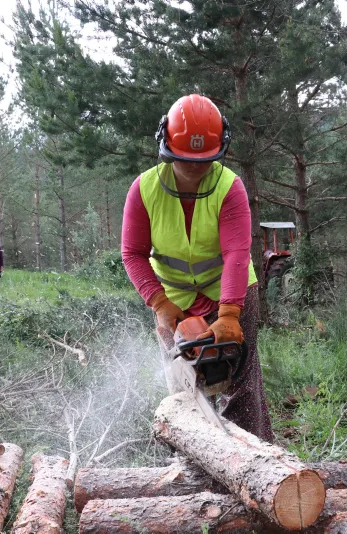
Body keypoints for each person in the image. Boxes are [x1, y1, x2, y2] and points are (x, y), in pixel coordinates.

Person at [121, 94, 273, 442]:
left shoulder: (229, 186)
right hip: (172, 298)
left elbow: (237, 251)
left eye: (203, 161)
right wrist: (159, 304)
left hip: (229, 291)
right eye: (185, 160)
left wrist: (230, 313)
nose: (194, 168)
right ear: (166, 147)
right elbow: (132, 253)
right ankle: (190, 464)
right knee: (184, 388)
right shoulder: (143, 190)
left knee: (242, 385)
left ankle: (255, 461)